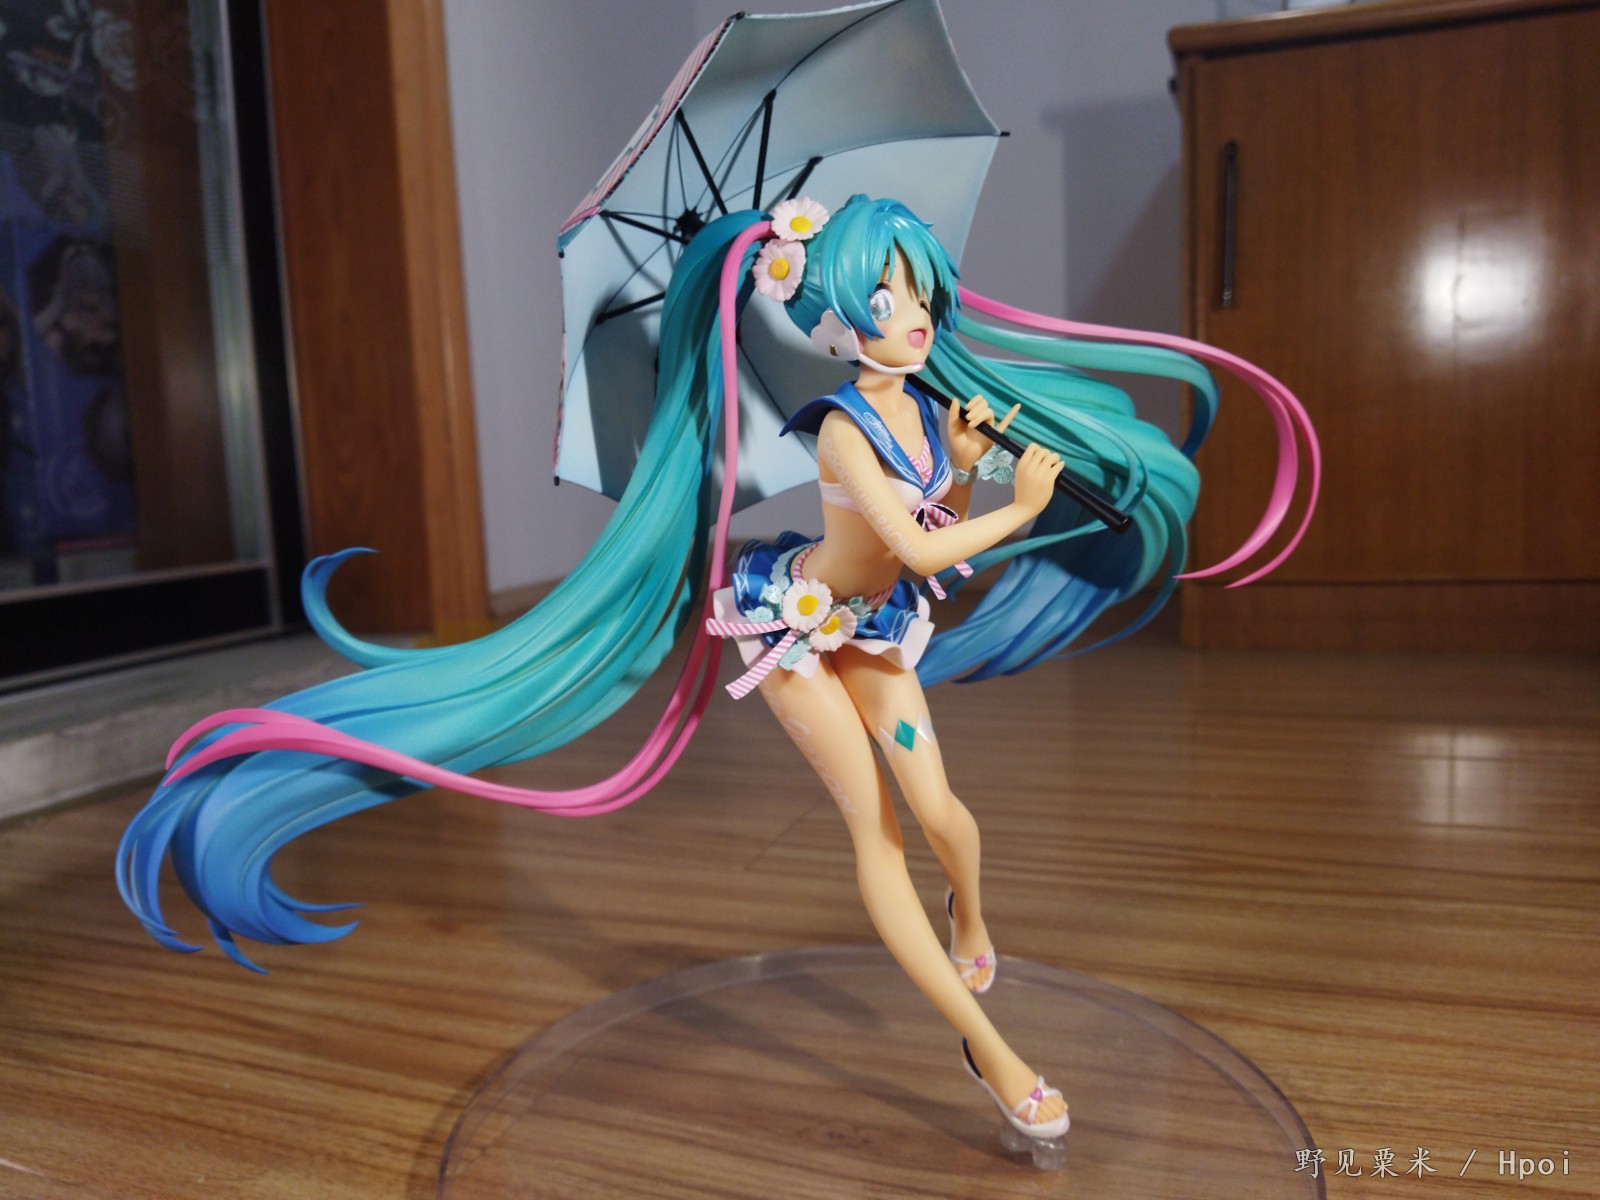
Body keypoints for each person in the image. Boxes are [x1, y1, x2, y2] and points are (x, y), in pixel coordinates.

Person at [118, 193, 1314, 1150]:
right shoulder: (839, 426)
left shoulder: (929, 411)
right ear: (833, 323)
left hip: (876, 630)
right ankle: (990, 1053)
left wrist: (966, 465)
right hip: (794, 630)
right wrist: (1023, 506)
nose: (911, 315)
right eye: (884, 299)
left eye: (919, 292)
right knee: (876, 835)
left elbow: (926, 522)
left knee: (948, 815)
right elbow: (916, 549)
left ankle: (974, 911)